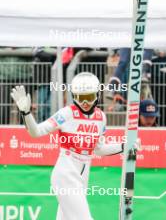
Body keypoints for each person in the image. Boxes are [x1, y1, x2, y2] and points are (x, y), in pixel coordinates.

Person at [11, 72, 139, 220]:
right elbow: (36, 132)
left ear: (97, 95)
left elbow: (99, 149)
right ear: (74, 96)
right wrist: (26, 113)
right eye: (80, 98)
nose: (85, 103)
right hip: (66, 173)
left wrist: (125, 145)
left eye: (89, 98)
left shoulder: (101, 117)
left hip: (83, 175)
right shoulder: (66, 114)